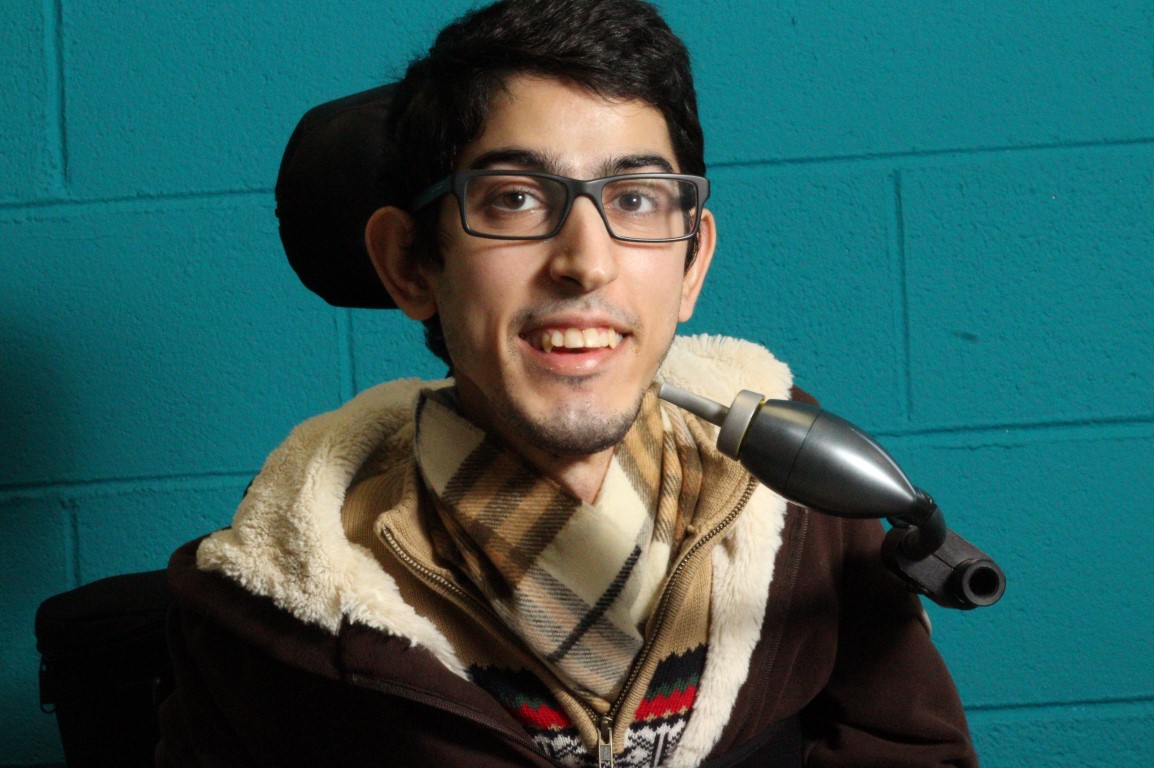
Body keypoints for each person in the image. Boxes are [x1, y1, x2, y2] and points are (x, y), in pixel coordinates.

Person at [156, 0, 978, 765]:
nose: (587, 261)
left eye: (637, 198)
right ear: (409, 264)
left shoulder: (803, 500)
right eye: (515, 198)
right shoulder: (270, 612)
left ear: (692, 263)